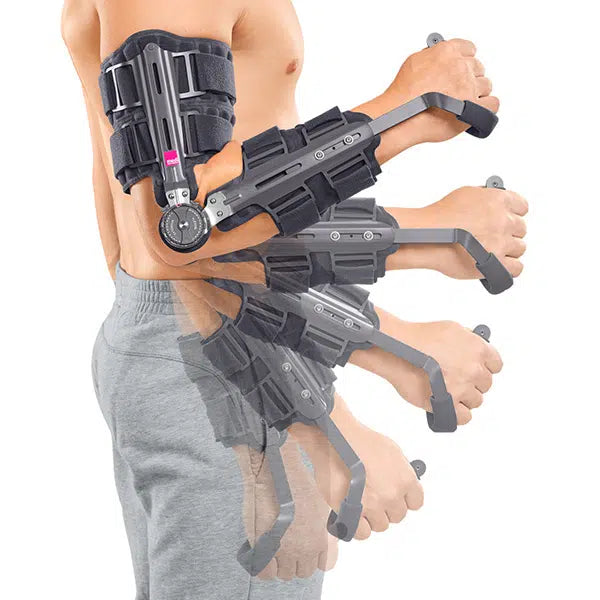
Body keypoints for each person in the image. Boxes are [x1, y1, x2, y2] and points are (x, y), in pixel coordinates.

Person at [62, 0, 528, 598]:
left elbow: (139, 233)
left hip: (198, 333)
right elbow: (186, 224)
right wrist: (407, 111)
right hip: (215, 355)